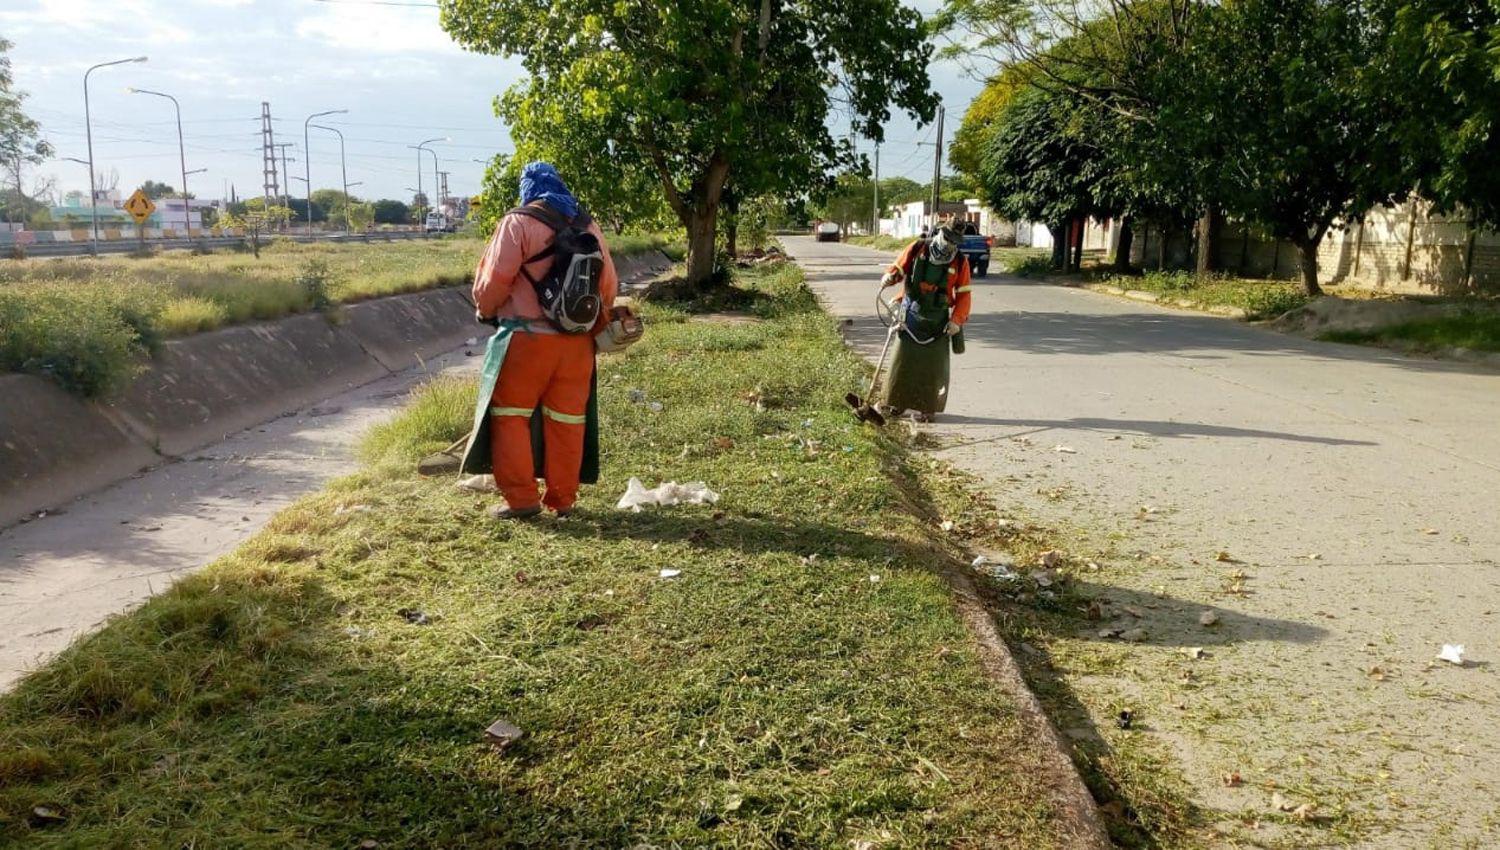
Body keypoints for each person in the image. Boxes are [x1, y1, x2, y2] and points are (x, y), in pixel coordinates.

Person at [467, 162, 619, 519]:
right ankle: (563, 500)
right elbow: (608, 287)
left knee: (511, 417)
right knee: (567, 420)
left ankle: (522, 500)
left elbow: (493, 281)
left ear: (528, 189)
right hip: (577, 346)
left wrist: (485, 310)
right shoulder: (588, 226)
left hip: (525, 339)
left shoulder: (517, 222)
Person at [878, 225, 971, 421]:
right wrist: (890, 276)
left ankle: (927, 408)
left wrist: (956, 320)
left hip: (938, 322)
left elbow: (964, 295)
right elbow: (900, 268)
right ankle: (896, 403)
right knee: (902, 362)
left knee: (932, 368)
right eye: (949, 240)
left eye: (955, 242)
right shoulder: (918, 248)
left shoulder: (960, 261)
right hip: (911, 314)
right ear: (941, 235)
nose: (951, 245)